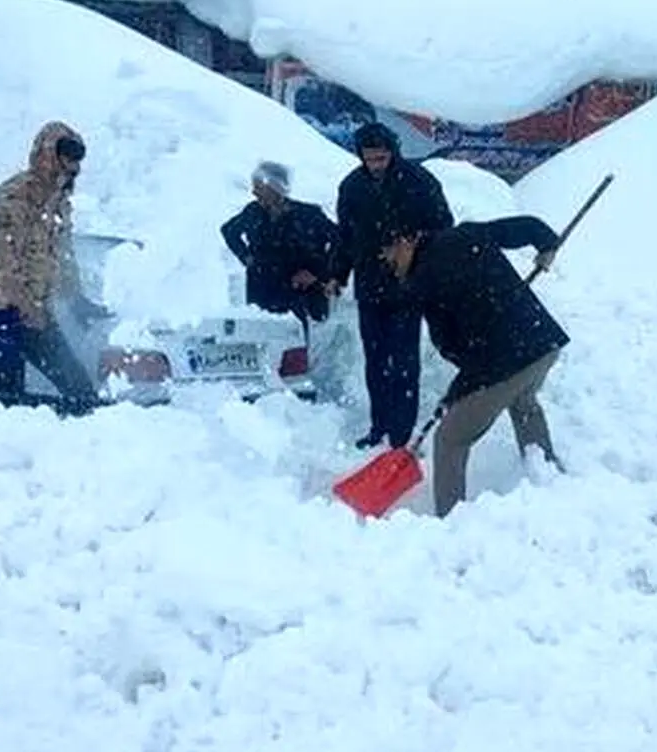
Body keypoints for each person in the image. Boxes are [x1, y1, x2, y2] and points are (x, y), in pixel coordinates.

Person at [380, 216, 570, 518]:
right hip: (542, 342)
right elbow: (527, 227)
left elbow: (461, 352)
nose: (386, 260)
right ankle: (551, 478)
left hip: (508, 358)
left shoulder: (423, 282)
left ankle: (453, 522)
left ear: (408, 241)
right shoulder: (465, 234)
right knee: (522, 400)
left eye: (387, 252)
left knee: (450, 438)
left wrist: (459, 392)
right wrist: (546, 244)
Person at [327, 122, 456, 450]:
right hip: (370, 285)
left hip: (407, 285)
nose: (376, 166)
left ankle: (400, 433)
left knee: (404, 361)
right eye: (369, 159)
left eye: (381, 158)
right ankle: (378, 426)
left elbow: (444, 225)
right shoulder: (352, 187)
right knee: (376, 361)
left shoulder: (418, 182)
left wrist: (414, 244)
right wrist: (337, 275)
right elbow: (345, 237)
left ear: (393, 153)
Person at [0, 120, 111, 415]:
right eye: (68, 159)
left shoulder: (58, 201)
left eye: (77, 162)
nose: (74, 168)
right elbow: (1, 261)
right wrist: (24, 306)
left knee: (80, 391)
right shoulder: (15, 196)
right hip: (5, 311)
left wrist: (76, 299)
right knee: (9, 396)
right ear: (50, 156)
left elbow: (62, 255)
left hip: (38, 311)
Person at [220, 161, 338, 341]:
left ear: (276, 188)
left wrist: (318, 274)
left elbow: (341, 242)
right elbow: (229, 231)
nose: (254, 192)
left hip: (302, 291)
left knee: (303, 348)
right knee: (265, 341)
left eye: (259, 187)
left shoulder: (308, 215)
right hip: (264, 289)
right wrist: (247, 258)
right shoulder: (253, 212)